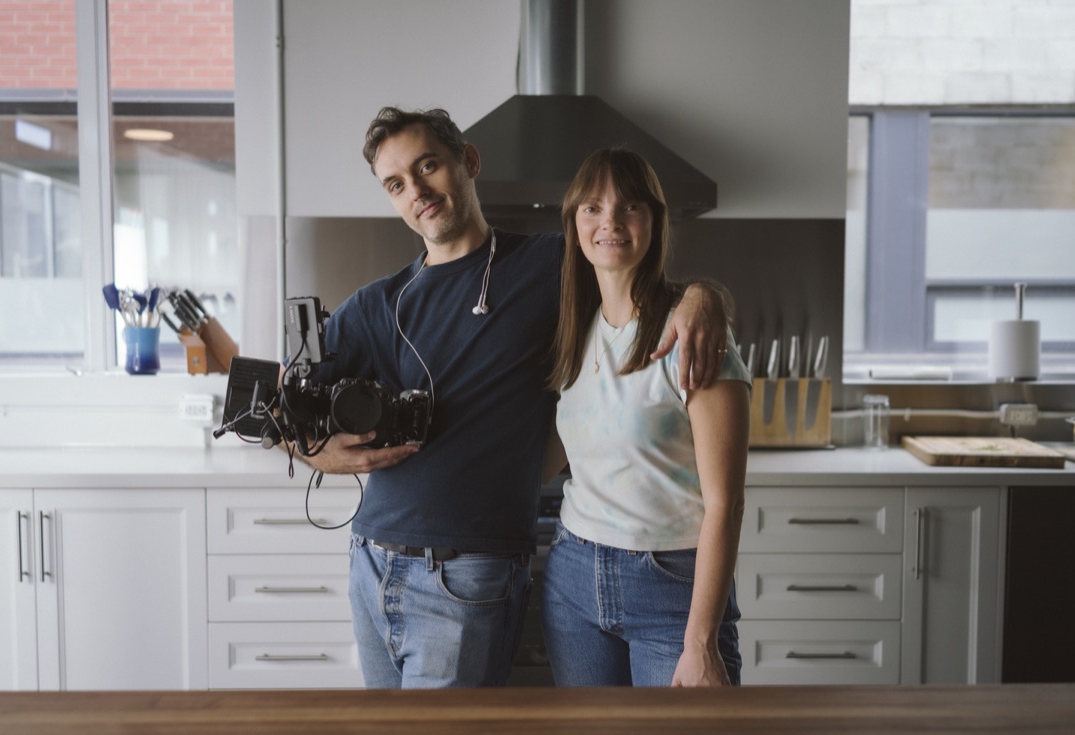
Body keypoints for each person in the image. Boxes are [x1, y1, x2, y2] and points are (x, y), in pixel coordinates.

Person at [296, 106, 729, 689]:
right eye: (396, 184)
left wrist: (707, 296)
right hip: (370, 561)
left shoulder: (551, 265)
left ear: (469, 162)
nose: (417, 191)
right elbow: (284, 403)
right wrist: (315, 452)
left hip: (465, 575)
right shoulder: (381, 303)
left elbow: (635, 265)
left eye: (428, 166)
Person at [540, 147, 752, 687]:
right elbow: (562, 452)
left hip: (672, 588)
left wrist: (701, 642)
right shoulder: (571, 329)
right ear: (573, 224)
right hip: (573, 579)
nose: (608, 220)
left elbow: (725, 505)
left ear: (654, 221)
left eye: (628, 206)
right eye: (591, 207)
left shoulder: (693, 338)